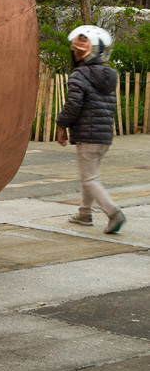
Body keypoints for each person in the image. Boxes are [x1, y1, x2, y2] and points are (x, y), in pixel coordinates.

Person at [56, 25, 125, 234]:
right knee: (90, 176)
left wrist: (61, 124)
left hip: (87, 136)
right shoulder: (109, 77)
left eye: (75, 51)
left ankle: (114, 213)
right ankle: (84, 213)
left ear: (82, 53)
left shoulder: (79, 75)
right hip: (104, 137)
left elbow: (73, 105)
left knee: (89, 179)